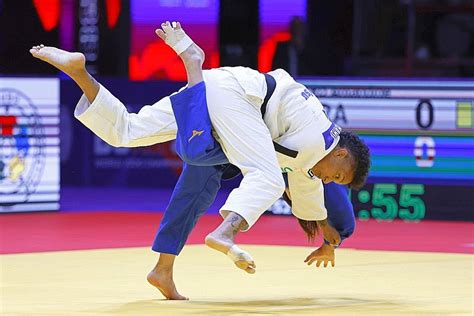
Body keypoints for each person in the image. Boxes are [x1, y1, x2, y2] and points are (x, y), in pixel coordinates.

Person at [30, 21, 370, 300]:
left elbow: (305, 191)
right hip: (237, 99)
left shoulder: (318, 142)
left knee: (133, 134)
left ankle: (79, 73)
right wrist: (328, 232)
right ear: (341, 153)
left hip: (220, 92)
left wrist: (327, 236)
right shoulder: (319, 141)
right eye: (337, 176)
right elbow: (297, 183)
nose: (328, 180)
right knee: (258, 174)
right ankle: (225, 232)